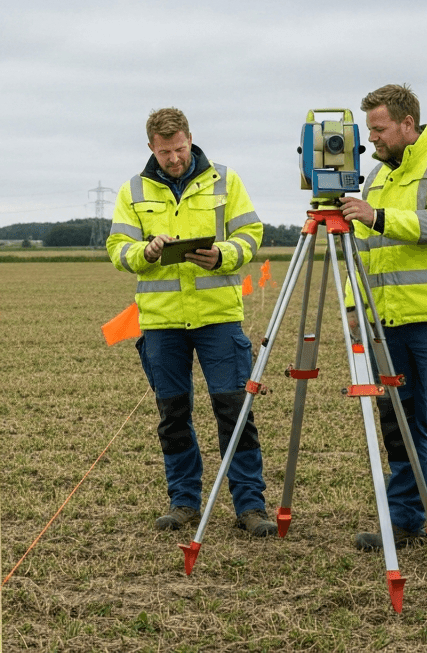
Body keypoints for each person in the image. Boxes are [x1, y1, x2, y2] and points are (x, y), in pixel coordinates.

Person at [106, 107, 276, 537]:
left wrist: (222, 255)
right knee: (173, 416)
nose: (174, 158)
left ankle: (250, 506)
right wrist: (145, 252)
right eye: (165, 152)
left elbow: (250, 234)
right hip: (162, 323)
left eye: (179, 149)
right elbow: (117, 247)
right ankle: (183, 502)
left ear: (190, 139)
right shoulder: (133, 190)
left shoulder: (225, 180)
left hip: (219, 318)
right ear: (151, 147)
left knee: (234, 413)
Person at [338, 84, 427, 569]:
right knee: (398, 428)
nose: (372, 139)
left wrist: (377, 216)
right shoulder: (376, 178)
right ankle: (405, 519)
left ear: (407, 123)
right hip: (387, 325)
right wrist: (354, 306)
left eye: (379, 129)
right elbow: (361, 248)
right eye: (370, 130)